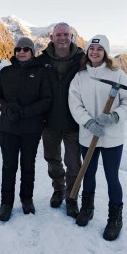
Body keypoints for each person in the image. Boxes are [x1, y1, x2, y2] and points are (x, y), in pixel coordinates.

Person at [68, 35, 127, 241]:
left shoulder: (117, 74)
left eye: (99, 49)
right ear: (87, 51)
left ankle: (115, 219)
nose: (95, 52)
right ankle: (87, 209)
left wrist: (114, 116)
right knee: (88, 174)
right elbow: (74, 104)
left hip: (112, 138)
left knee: (111, 177)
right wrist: (88, 122)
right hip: (88, 135)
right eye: (92, 49)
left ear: (105, 53)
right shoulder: (80, 77)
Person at [0, 37, 51, 222]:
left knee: (28, 165)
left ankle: (27, 199)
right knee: (9, 165)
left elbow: (46, 100)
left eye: (25, 49)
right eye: (18, 49)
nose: (21, 52)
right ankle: (6, 203)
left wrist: (25, 112)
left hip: (31, 129)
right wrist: (6, 108)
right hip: (8, 128)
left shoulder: (41, 73)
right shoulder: (5, 72)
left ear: (32, 52)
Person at [36, 22, 85, 218]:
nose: (62, 38)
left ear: (71, 37)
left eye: (66, 34)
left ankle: (72, 197)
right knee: (52, 159)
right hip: (49, 122)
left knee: (74, 164)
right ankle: (59, 189)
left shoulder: (82, 60)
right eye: (58, 35)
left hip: (74, 122)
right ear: (51, 38)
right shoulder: (42, 61)